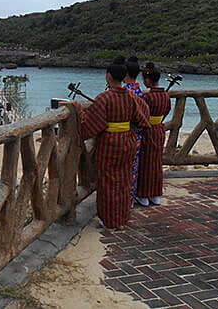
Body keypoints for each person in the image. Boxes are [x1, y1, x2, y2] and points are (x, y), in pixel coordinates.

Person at [74, 56, 150, 229]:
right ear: (123, 77)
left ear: (109, 76)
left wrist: (79, 112)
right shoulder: (132, 97)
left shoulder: (104, 98)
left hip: (110, 143)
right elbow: (144, 116)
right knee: (124, 180)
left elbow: (91, 125)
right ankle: (122, 218)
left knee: (107, 180)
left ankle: (108, 219)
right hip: (128, 141)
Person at [137, 62, 172, 207]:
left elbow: (141, 115)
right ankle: (155, 194)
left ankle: (144, 195)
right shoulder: (165, 96)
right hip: (159, 129)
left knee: (145, 162)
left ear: (147, 80)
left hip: (148, 130)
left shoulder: (148, 97)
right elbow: (167, 111)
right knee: (156, 162)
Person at [124, 56, 147, 208]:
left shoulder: (125, 93)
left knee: (122, 170)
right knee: (133, 169)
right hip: (137, 136)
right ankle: (131, 200)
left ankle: (123, 201)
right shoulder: (140, 92)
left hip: (124, 134)